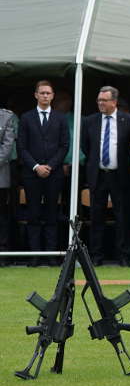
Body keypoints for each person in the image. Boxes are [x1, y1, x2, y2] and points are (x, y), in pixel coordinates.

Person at [80, 86, 130, 266]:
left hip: (120, 175)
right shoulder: (90, 121)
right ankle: (96, 256)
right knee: (97, 217)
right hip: (98, 175)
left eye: (104, 100)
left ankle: (123, 256)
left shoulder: (129, 120)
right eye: (99, 100)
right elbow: (86, 147)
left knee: (122, 216)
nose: (101, 104)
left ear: (114, 102)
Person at [18, 80, 69, 266]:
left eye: (48, 93)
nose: (45, 96)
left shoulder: (60, 118)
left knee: (51, 215)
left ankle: (51, 255)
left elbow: (64, 146)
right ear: (36, 95)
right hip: (32, 174)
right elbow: (22, 147)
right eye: (42, 93)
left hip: (53, 174)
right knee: (33, 214)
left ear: (53, 96)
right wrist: (36, 166)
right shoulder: (26, 118)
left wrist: (50, 166)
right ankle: (34, 256)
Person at [0, 106, 16, 255]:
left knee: (2, 215)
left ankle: (2, 252)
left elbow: (8, 144)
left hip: (0, 174)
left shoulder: (6, 116)